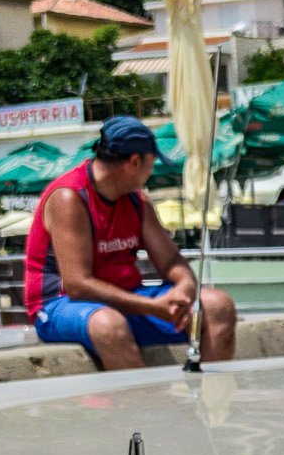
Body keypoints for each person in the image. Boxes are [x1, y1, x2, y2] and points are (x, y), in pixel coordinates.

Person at [24, 115, 235, 369]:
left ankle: (211, 401)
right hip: (60, 304)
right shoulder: (69, 198)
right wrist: (153, 307)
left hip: (127, 299)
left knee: (217, 306)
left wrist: (184, 287)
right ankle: (144, 406)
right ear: (135, 162)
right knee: (109, 325)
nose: (151, 171)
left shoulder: (138, 201)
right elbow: (77, 285)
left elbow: (171, 260)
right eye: (151, 163)